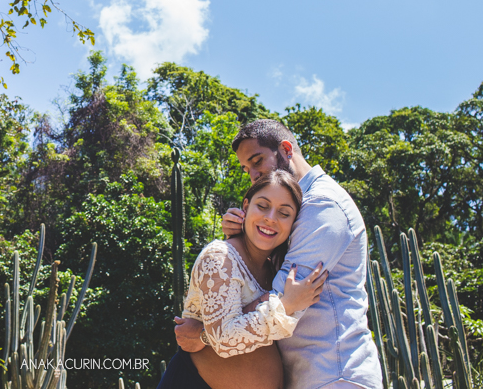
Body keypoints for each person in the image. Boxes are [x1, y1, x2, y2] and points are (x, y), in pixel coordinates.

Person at [174, 119, 382, 389]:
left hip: (333, 371)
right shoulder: (301, 204)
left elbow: (288, 294)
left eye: (257, 161)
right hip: (311, 374)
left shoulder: (322, 206)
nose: (253, 175)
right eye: (246, 169)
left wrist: (206, 332)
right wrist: (242, 236)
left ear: (286, 150)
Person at [158, 169, 327, 389]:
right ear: (246, 207)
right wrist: (286, 306)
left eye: (284, 213)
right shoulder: (220, 257)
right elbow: (224, 339)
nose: (270, 218)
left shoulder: (275, 270)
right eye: (263, 206)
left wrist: (201, 335)